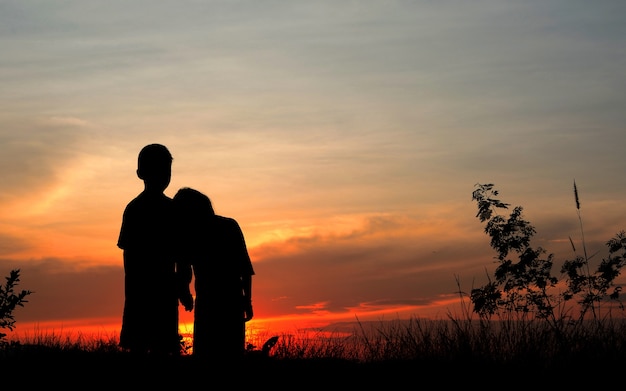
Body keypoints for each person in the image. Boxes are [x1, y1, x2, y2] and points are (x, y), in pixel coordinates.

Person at [117, 143, 184, 356]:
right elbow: (129, 256)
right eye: (159, 170)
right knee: (143, 347)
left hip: (161, 291)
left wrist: (183, 284)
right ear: (140, 173)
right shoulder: (135, 209)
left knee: (161, 348)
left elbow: (181, 253)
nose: (163, 176)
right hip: (142, 291)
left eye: (166, 171)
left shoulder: (172, 209)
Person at [173, 187, 255, 361]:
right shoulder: (229, 225)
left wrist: (185, 292)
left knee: (207, 353)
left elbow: (183, 267)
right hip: (227, 300)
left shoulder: (190, 234)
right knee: (230, 353)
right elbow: (245, 269)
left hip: (212, 302)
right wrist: (247, 300)